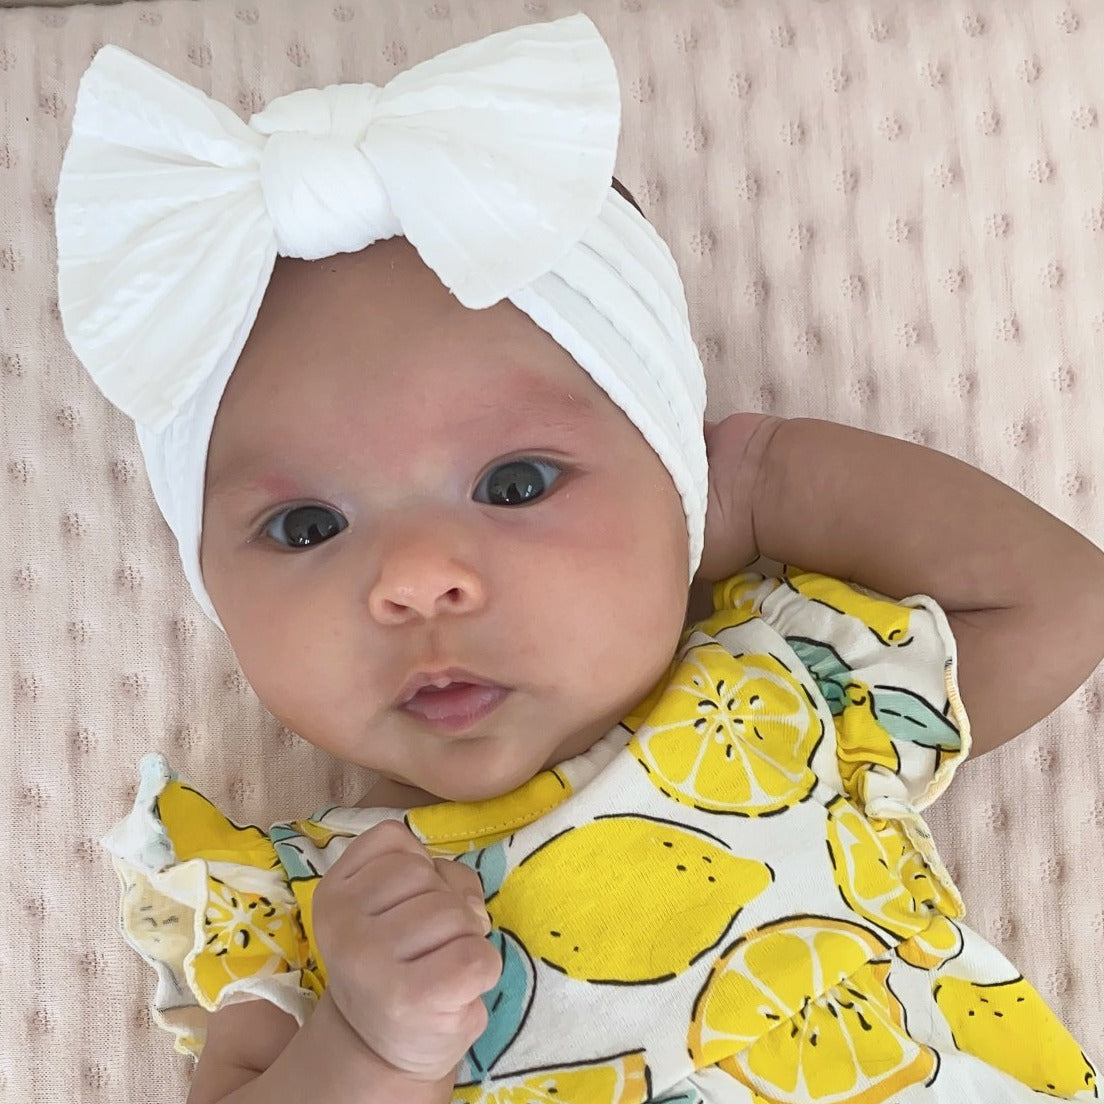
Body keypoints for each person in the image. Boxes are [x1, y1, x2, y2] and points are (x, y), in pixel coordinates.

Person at [55, 14, 1103, 1104]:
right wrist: (365, 1049)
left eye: (516, 484)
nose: (415, 580)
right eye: (308, 527)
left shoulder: (787, 693)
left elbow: (1059, 600)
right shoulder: (299, 912)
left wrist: (753, 480)